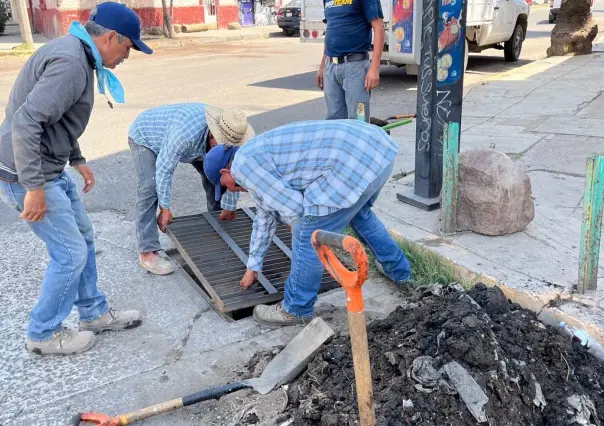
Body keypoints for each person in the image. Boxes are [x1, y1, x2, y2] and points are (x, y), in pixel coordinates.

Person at [0, 2, 153, 355]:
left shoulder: (78, 54)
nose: (127, 57)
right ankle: (42, 334)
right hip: (29, 174)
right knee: (69, 255)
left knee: (83, 240)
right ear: (111, 37)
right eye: (128, 47)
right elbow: (26, 123)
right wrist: (34, 188)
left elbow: (57, 119)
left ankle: (93, 313)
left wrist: (77, 158)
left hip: (50, 167)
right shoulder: (71, 64)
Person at [203, 120, 411, 327]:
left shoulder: (242, 167)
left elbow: (294, 208)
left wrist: (297, 228)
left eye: (226, 187)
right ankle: (399, 272)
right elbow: (264, 217)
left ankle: (296, 308)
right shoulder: (253, 155)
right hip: (377, 150)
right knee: (359, 214)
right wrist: (253, 266)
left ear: (225, 172)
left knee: (307, 232)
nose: (231, 191)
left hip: (353, 160)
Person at [128, 103, 254, 275]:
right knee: (150, 187)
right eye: (222, 145)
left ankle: (218, 223)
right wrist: (165, 208)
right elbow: (165, 168)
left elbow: (228, 171)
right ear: (212, 135)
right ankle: (147, 251)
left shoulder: (233, 130)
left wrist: (229, 206)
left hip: (193, 144)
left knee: (214, 175)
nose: (226, 148)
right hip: (147, 137)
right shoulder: (184, 135)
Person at [315, 0, 385, 120]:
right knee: (334, 119)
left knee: (358, 119)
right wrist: (322, 67)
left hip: (356, 67)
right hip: (331, 67)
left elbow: (378, 27)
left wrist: (374, 68)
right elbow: (331, 29)